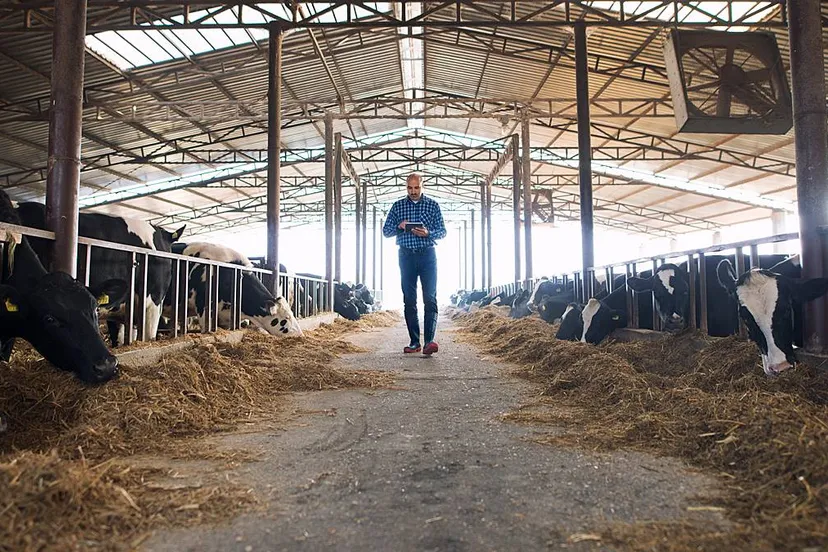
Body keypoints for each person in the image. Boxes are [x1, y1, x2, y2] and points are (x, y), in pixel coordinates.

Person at [382, 173, 446, 355]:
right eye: (410, 188)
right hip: (406, 256)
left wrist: (428, 233)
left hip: (427, 255)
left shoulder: (432, 205)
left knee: (430, 298)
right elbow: (386, 232)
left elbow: (442, 231)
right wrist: (400, 226)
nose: (413, 191)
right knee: (409, 299)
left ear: (422, 186)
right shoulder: (398, 206)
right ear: (406, 187)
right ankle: (414, 342)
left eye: (416, 188)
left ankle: (429, 342)